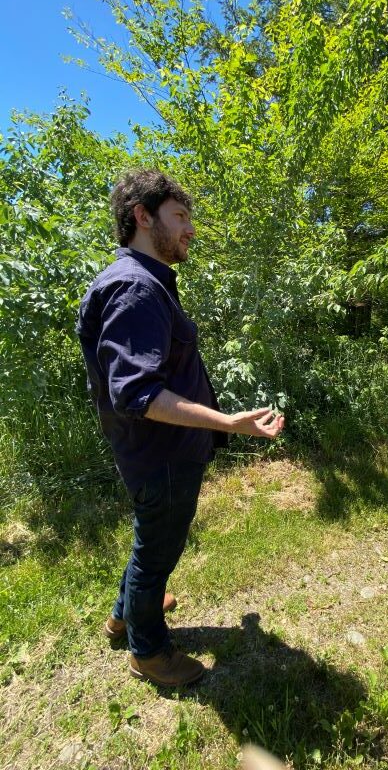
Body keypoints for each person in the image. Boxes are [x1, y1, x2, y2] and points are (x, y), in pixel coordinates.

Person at [77, 169, 284, 687]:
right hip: (161, 454)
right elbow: (137, 392)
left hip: (154, 451)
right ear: (143, 218)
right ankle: (147, 650)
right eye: (181, 217)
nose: (190, 229)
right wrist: (227, 422)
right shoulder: (136, 288)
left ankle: (124, 614)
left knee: (152, 541)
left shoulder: (144, 283)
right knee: (157, 552)